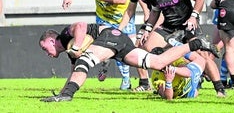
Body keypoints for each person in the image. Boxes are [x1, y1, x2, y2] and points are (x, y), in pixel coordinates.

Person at [39, 21, 218, 102]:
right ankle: (196, 44)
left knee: (84, 60)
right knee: (156, 63)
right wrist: (62, 89)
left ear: (51, 40)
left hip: (109, 35)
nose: (45, 53)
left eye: (44, 48)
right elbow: (74, 72)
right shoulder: (71, 52)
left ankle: (67, 97)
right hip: (119, 41)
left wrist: (77, 46)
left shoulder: (64, 35)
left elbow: (80, 26)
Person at [49, 0, 134, 90]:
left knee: (130, 49)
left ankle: (141, 82)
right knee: (104, 47)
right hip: (103, 19)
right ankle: (119, 75)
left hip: (123, 17)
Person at [138, 0, 225, 97]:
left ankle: (220, 89)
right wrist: (147, 29)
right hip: (169, 27)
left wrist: (194, 16)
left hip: (187, 25)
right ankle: (171, 79)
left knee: (204, 56)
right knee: (148, 48)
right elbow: (155, 11)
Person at [118, 0, 164, 92]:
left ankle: (194, 74)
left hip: (168, 17)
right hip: (154, 19)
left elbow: (163, 8)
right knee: (136, 47)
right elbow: (130, 10)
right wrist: (118, 30)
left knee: (154, 47)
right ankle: (145, 83)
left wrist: (150, 31)